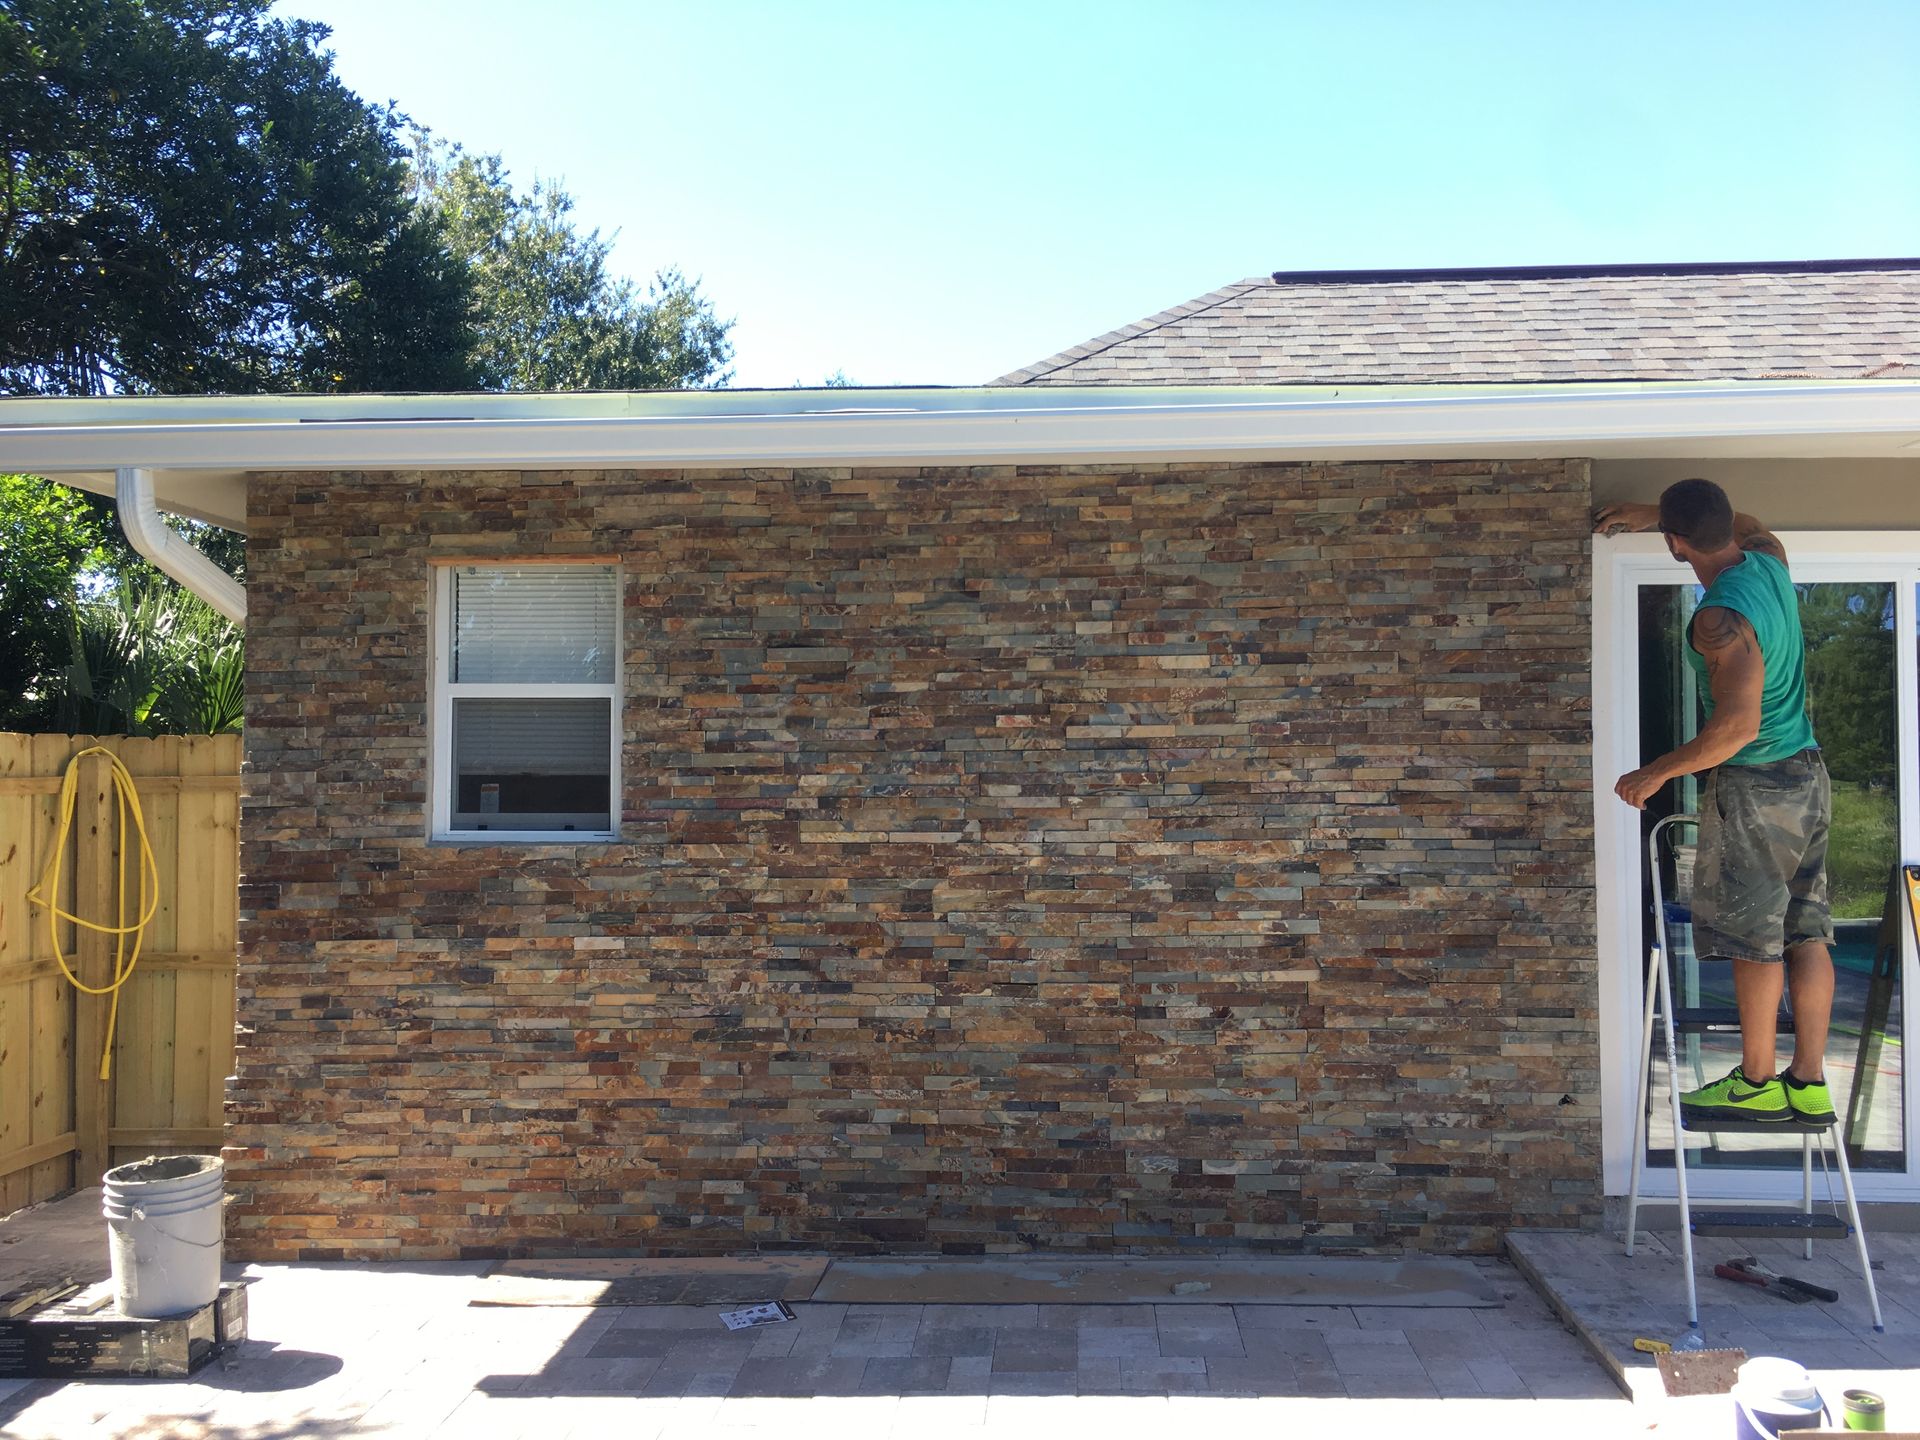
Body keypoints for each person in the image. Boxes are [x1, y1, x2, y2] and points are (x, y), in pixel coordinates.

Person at [1594, 479, 1834, 1126]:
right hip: (1808, 774)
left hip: (1757, 783)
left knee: (1754, 940)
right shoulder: (1769, 558)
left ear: (1675, 544)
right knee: (1805, 933)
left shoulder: (1717, 618)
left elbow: (1736, 729)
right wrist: (1652, 513)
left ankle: (1757, 1082)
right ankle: (1807, 1081)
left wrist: (1653, 774)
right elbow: (1750, 519)